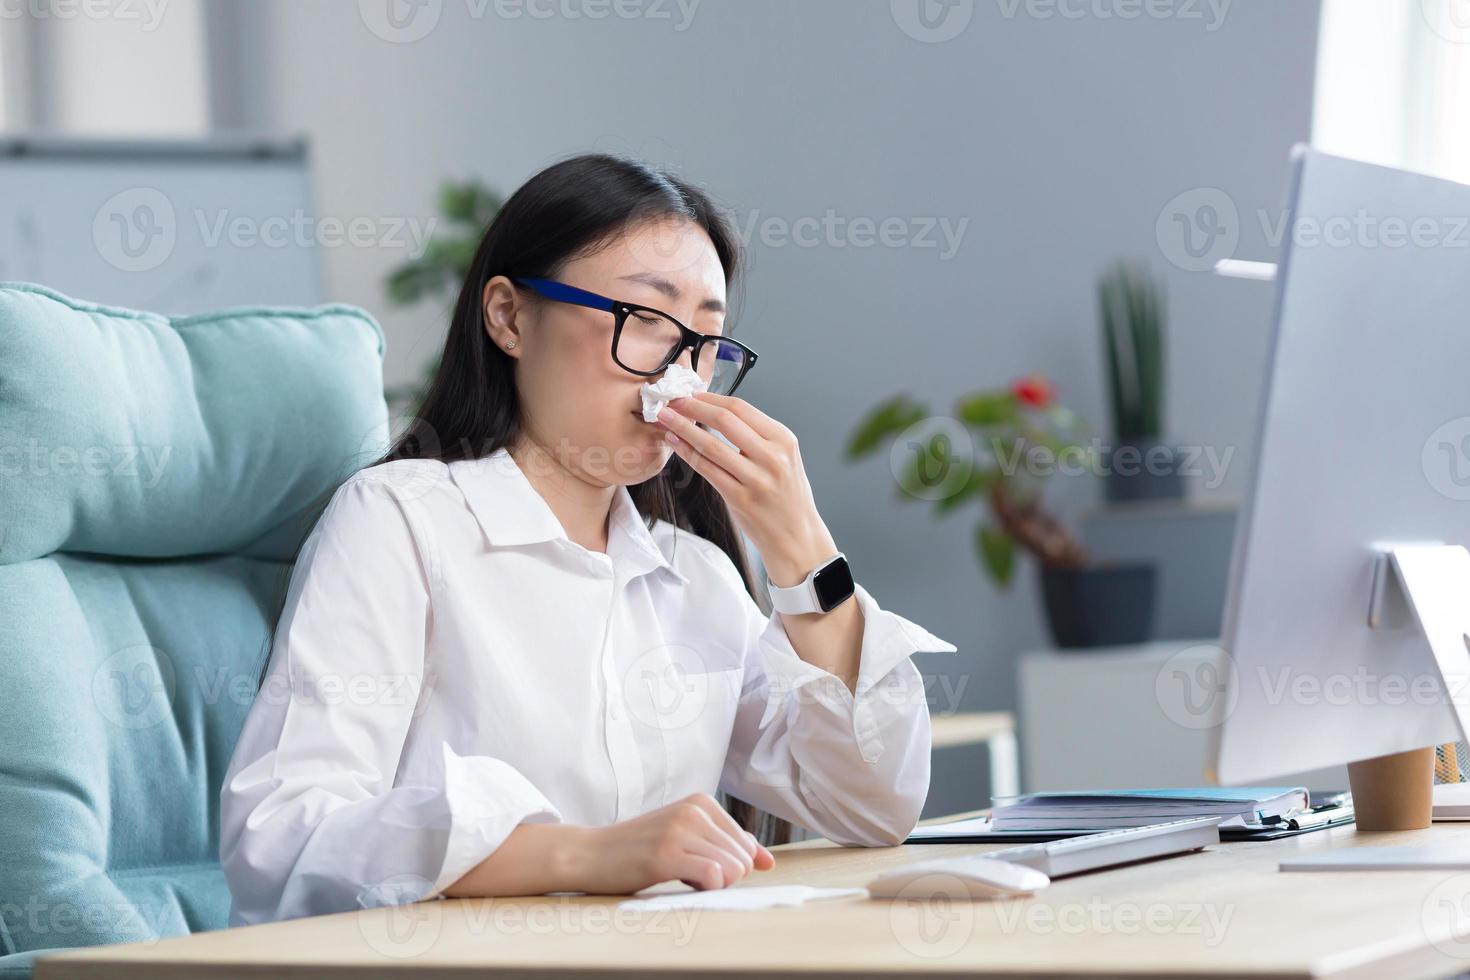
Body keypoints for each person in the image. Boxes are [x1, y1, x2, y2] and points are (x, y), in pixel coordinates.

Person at [219, 153, 958, 925]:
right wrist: (585, 854)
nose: (675, 376)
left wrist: (805, 552)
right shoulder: (401, 521)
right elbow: (280, 837)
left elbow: (874, 804)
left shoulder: (693, 575)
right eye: (644, 321)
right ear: (508, 317)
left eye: (704, 344)